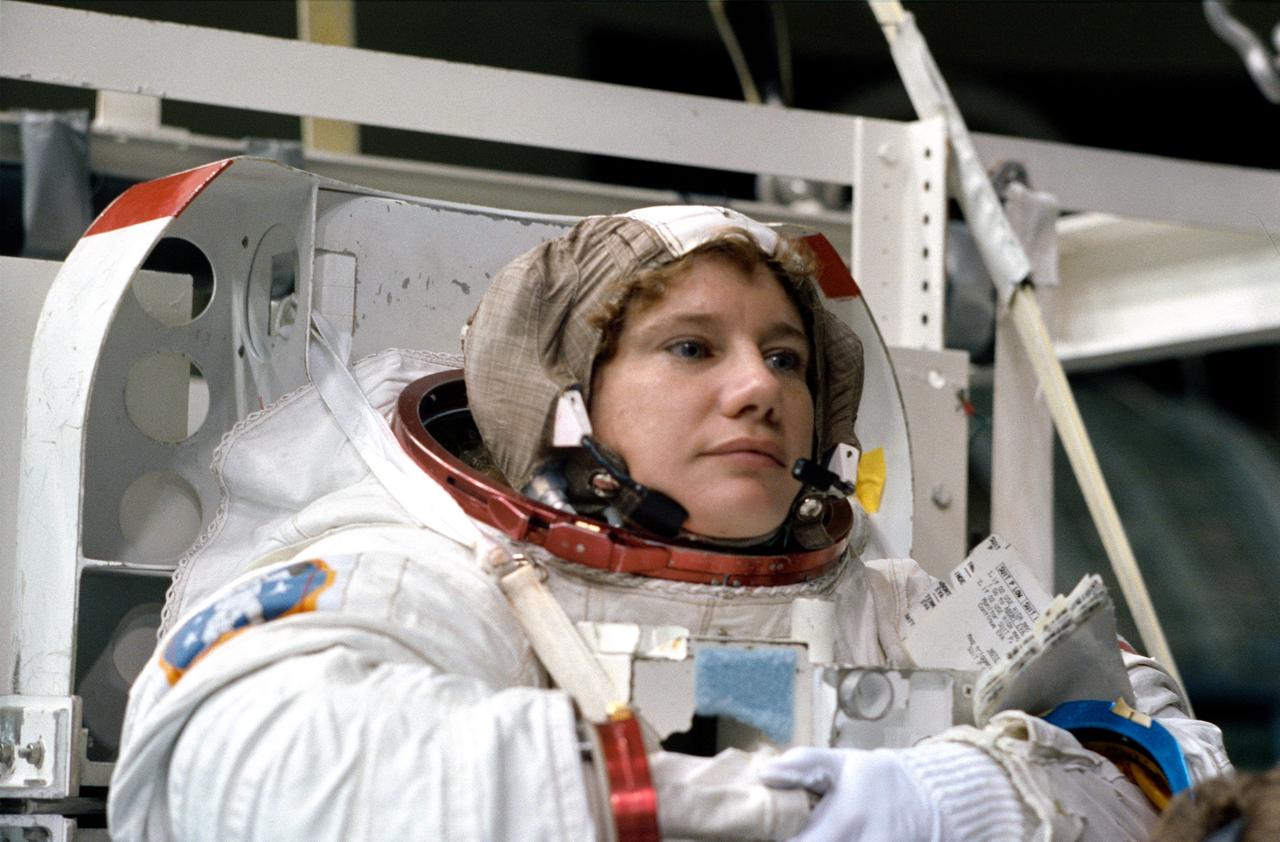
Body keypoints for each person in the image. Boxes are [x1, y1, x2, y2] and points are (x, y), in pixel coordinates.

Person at [109, 205, 1230, 841]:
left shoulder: (890, 602)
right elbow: (270, 772)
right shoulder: (409, 567)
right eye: (690, 346)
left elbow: (1169, 758)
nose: (758, 387)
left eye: (784, 355)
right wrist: (853, 810)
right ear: (562, 394)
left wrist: (994, 794)